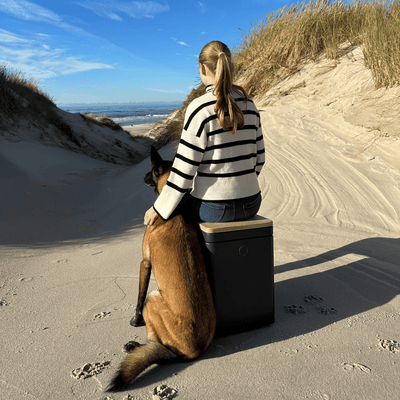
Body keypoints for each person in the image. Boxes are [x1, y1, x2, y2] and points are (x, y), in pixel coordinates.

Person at [144, 40, 265, 226]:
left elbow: (184, 170)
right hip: (252, 203)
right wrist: (239, 186)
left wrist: (159, 207)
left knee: (180, 209)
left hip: (214, 209)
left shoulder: (199, 108)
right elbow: (259, 160)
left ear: (202, 68)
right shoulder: (250, 105)